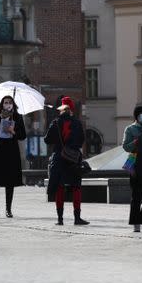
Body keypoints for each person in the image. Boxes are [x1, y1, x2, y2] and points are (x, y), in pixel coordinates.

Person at [44, 96, 89, 226]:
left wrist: (57, 139)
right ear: (72, 109)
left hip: (59, 158)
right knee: (76, 187)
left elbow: (47, 140)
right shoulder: (77, 123)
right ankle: (77, 218)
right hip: (73, 158)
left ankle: (60, 219)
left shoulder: (56, 122)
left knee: (59, 187)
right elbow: (81, 140)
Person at [0, 96, 27, 218]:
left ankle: (8, 209)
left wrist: (13, 131)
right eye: (5, 102)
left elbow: (23, 135)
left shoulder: (17, 117)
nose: (7, 104)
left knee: (10, 182)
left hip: (11, 151)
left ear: (13, 104)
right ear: (2, 104)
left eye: (9, 103)